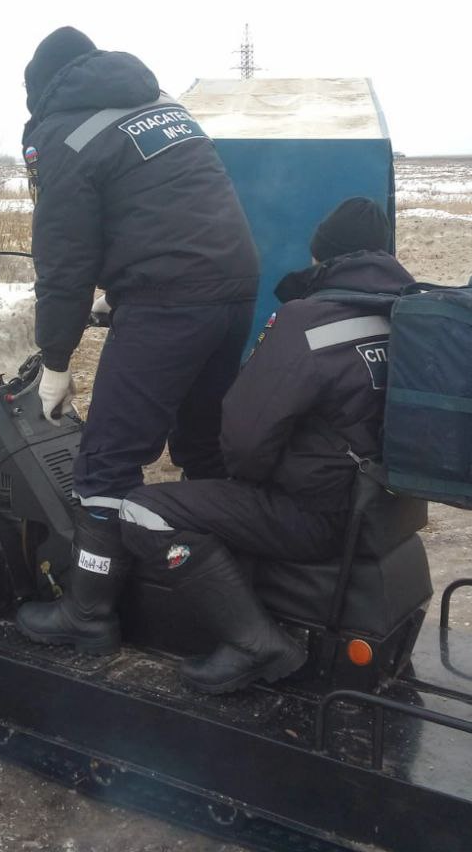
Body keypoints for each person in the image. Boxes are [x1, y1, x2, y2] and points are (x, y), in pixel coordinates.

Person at [41, 197, 410, 693]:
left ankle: (255, 642)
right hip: (382, 509)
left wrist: (245, 486)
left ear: (324, 257)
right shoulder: (405, 315)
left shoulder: (310, 322)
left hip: (312, 516)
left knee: (143, 511)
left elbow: (244, 436)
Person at [14, 27, 260, 651]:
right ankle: (232, 591)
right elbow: (166, 208)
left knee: (106, 459)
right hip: (233, 283)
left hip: (172, 299)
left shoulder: (63, 134)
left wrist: (56, 361)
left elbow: (63, 264)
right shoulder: (161, 107)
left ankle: (88, 615)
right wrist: (121, 289)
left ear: (42, 90)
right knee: (204, 446)